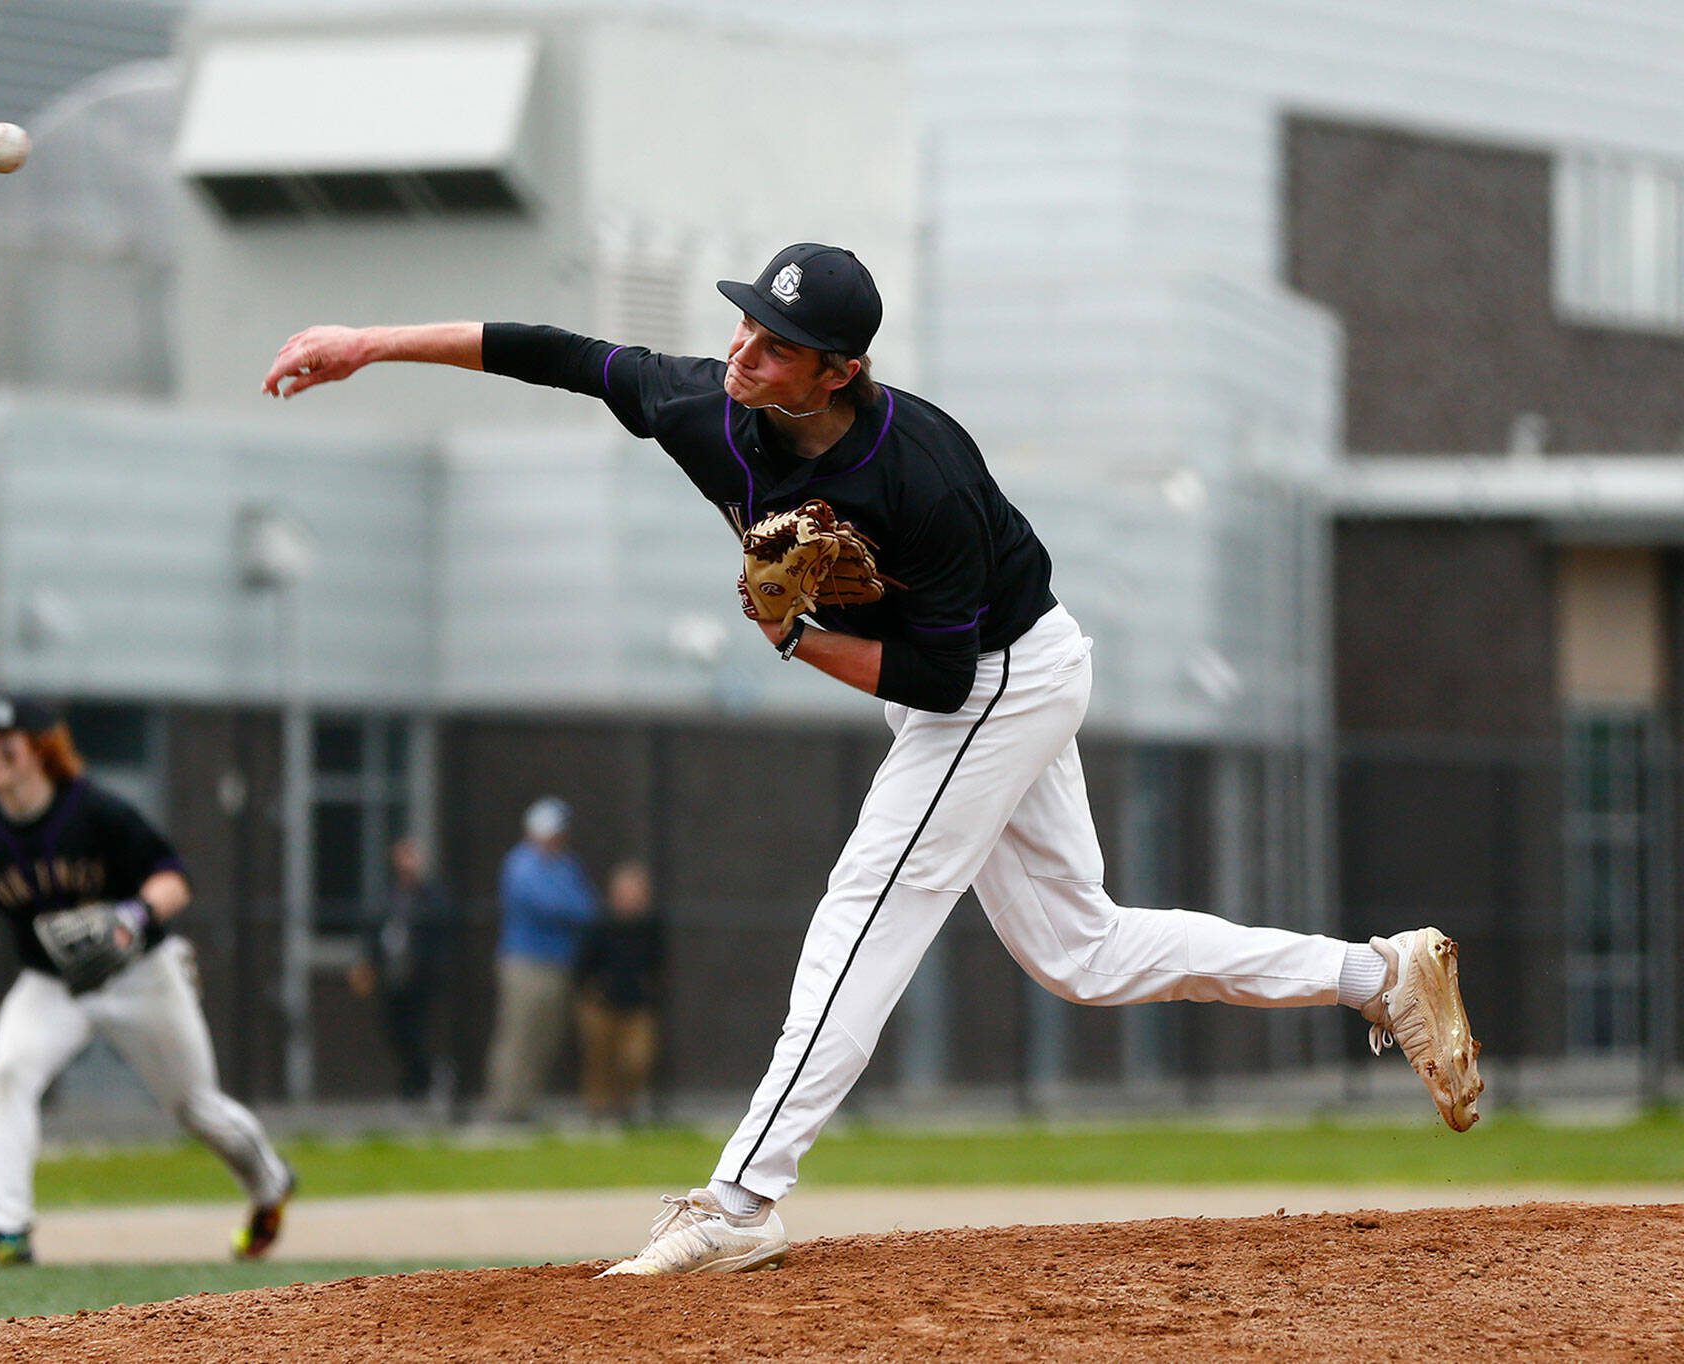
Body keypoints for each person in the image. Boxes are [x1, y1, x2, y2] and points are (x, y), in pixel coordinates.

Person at [258, 242, 1483, 1276]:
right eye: (743, 324)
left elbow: (942, 682)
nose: (742, 352)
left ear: (838, 370)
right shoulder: (707, 405)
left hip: (999, 675)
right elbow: (559, 353)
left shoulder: (920, 471)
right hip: (967, 682)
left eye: (776, 343)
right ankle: (1376, 974)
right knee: (1080, 949)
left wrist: (794, 633)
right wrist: (370, 339)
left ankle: (739, 1200)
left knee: (865, 907)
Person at [0, 691, 296, 1266]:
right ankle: (8, 1230)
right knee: (9, 1072)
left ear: (40, 748)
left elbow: (173, 880)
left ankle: (270, 1183)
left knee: (193, 1106)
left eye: (4, 744)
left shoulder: (95, 812)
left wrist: (133, 915)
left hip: (139, 974)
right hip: (52, 983)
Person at [479, 796, 599, 1124]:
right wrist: (565, 905)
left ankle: (526, 1105)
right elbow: (546, 904)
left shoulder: (566, 864)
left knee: (546, 1038)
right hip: (525, 964)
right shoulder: (520, 863)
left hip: (558, 963)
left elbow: (585, 908)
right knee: (518, 1035)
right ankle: (505, 1106)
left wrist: (566, 906)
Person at [348, 836, 461, 1121]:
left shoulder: (431, 894)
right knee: (395, 1031)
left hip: (420, 977)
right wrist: (366, 963)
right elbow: (372, 930)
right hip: (391, 975)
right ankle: (417, 1081)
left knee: (417, 1030)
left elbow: (441, 928)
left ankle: (421, 1083)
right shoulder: (387, 894)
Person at [574, 861, 666, 1128]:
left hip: (637, 1004)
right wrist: (594, 990)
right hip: (602, 1004)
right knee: (599, 1057)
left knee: (636, 1058)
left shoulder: (648, 926)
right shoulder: (600, 924)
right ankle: (599, 1112)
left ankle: (626, 1106)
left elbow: (658, 963)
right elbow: (584, 965)